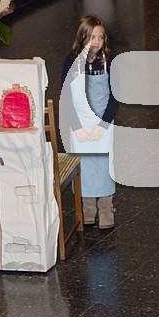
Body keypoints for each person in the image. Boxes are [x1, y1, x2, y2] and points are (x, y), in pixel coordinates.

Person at [61, 15, 119, 229]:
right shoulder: (71, 61)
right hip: (79, 122)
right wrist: (77, 128)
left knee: (104, 165)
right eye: (92, 37)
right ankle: (87, 209)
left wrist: (103, 125)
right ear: (82, 37)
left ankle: (105, 208)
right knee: (83, 165)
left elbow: (115, 97)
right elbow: (66, 97)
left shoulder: (109, 60)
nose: (96, 42)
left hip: (103, 121)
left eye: (100, 38)